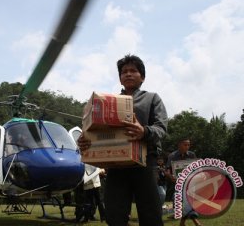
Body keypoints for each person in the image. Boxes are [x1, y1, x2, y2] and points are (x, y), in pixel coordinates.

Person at [78, 54, 168, 226]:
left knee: (150, 214)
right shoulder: (107, 103)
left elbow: (161, 128)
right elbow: (93, 131)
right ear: (120, 79)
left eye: (133, 71)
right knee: (114, 213)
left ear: (142, 77)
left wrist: (144, 131)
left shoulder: (152, 98)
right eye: (124, 72)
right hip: (116, 165)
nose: (128, 74)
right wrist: (85, 141)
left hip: (145, 163)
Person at [165, 138, 202, 226]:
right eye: (185, 144)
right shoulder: (172, 156)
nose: (187, 146)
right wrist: (171, 177)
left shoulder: (192, 155)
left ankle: (184, 222)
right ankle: (193, 222)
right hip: (178, 183)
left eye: (188, 145)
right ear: (179, 145)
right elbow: (167, 170)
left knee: (189, 201)